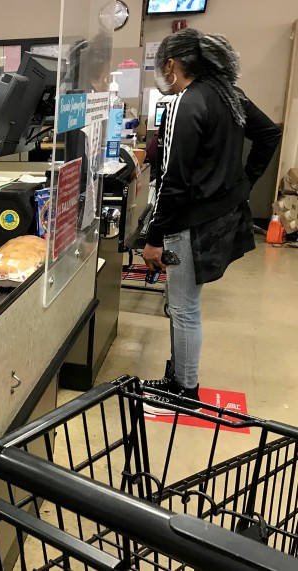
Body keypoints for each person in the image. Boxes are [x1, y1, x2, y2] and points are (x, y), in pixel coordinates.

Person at [141, 29, 281, 415]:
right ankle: (178, 377)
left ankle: (184, 391)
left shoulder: (185, 103)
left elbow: (173, 179)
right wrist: (244, 182)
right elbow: (269, 133)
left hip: (191, 222)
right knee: (185, 303)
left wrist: (154, 237)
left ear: (171, 64)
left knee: (184, 307)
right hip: (222, 214)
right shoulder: (227, 93)